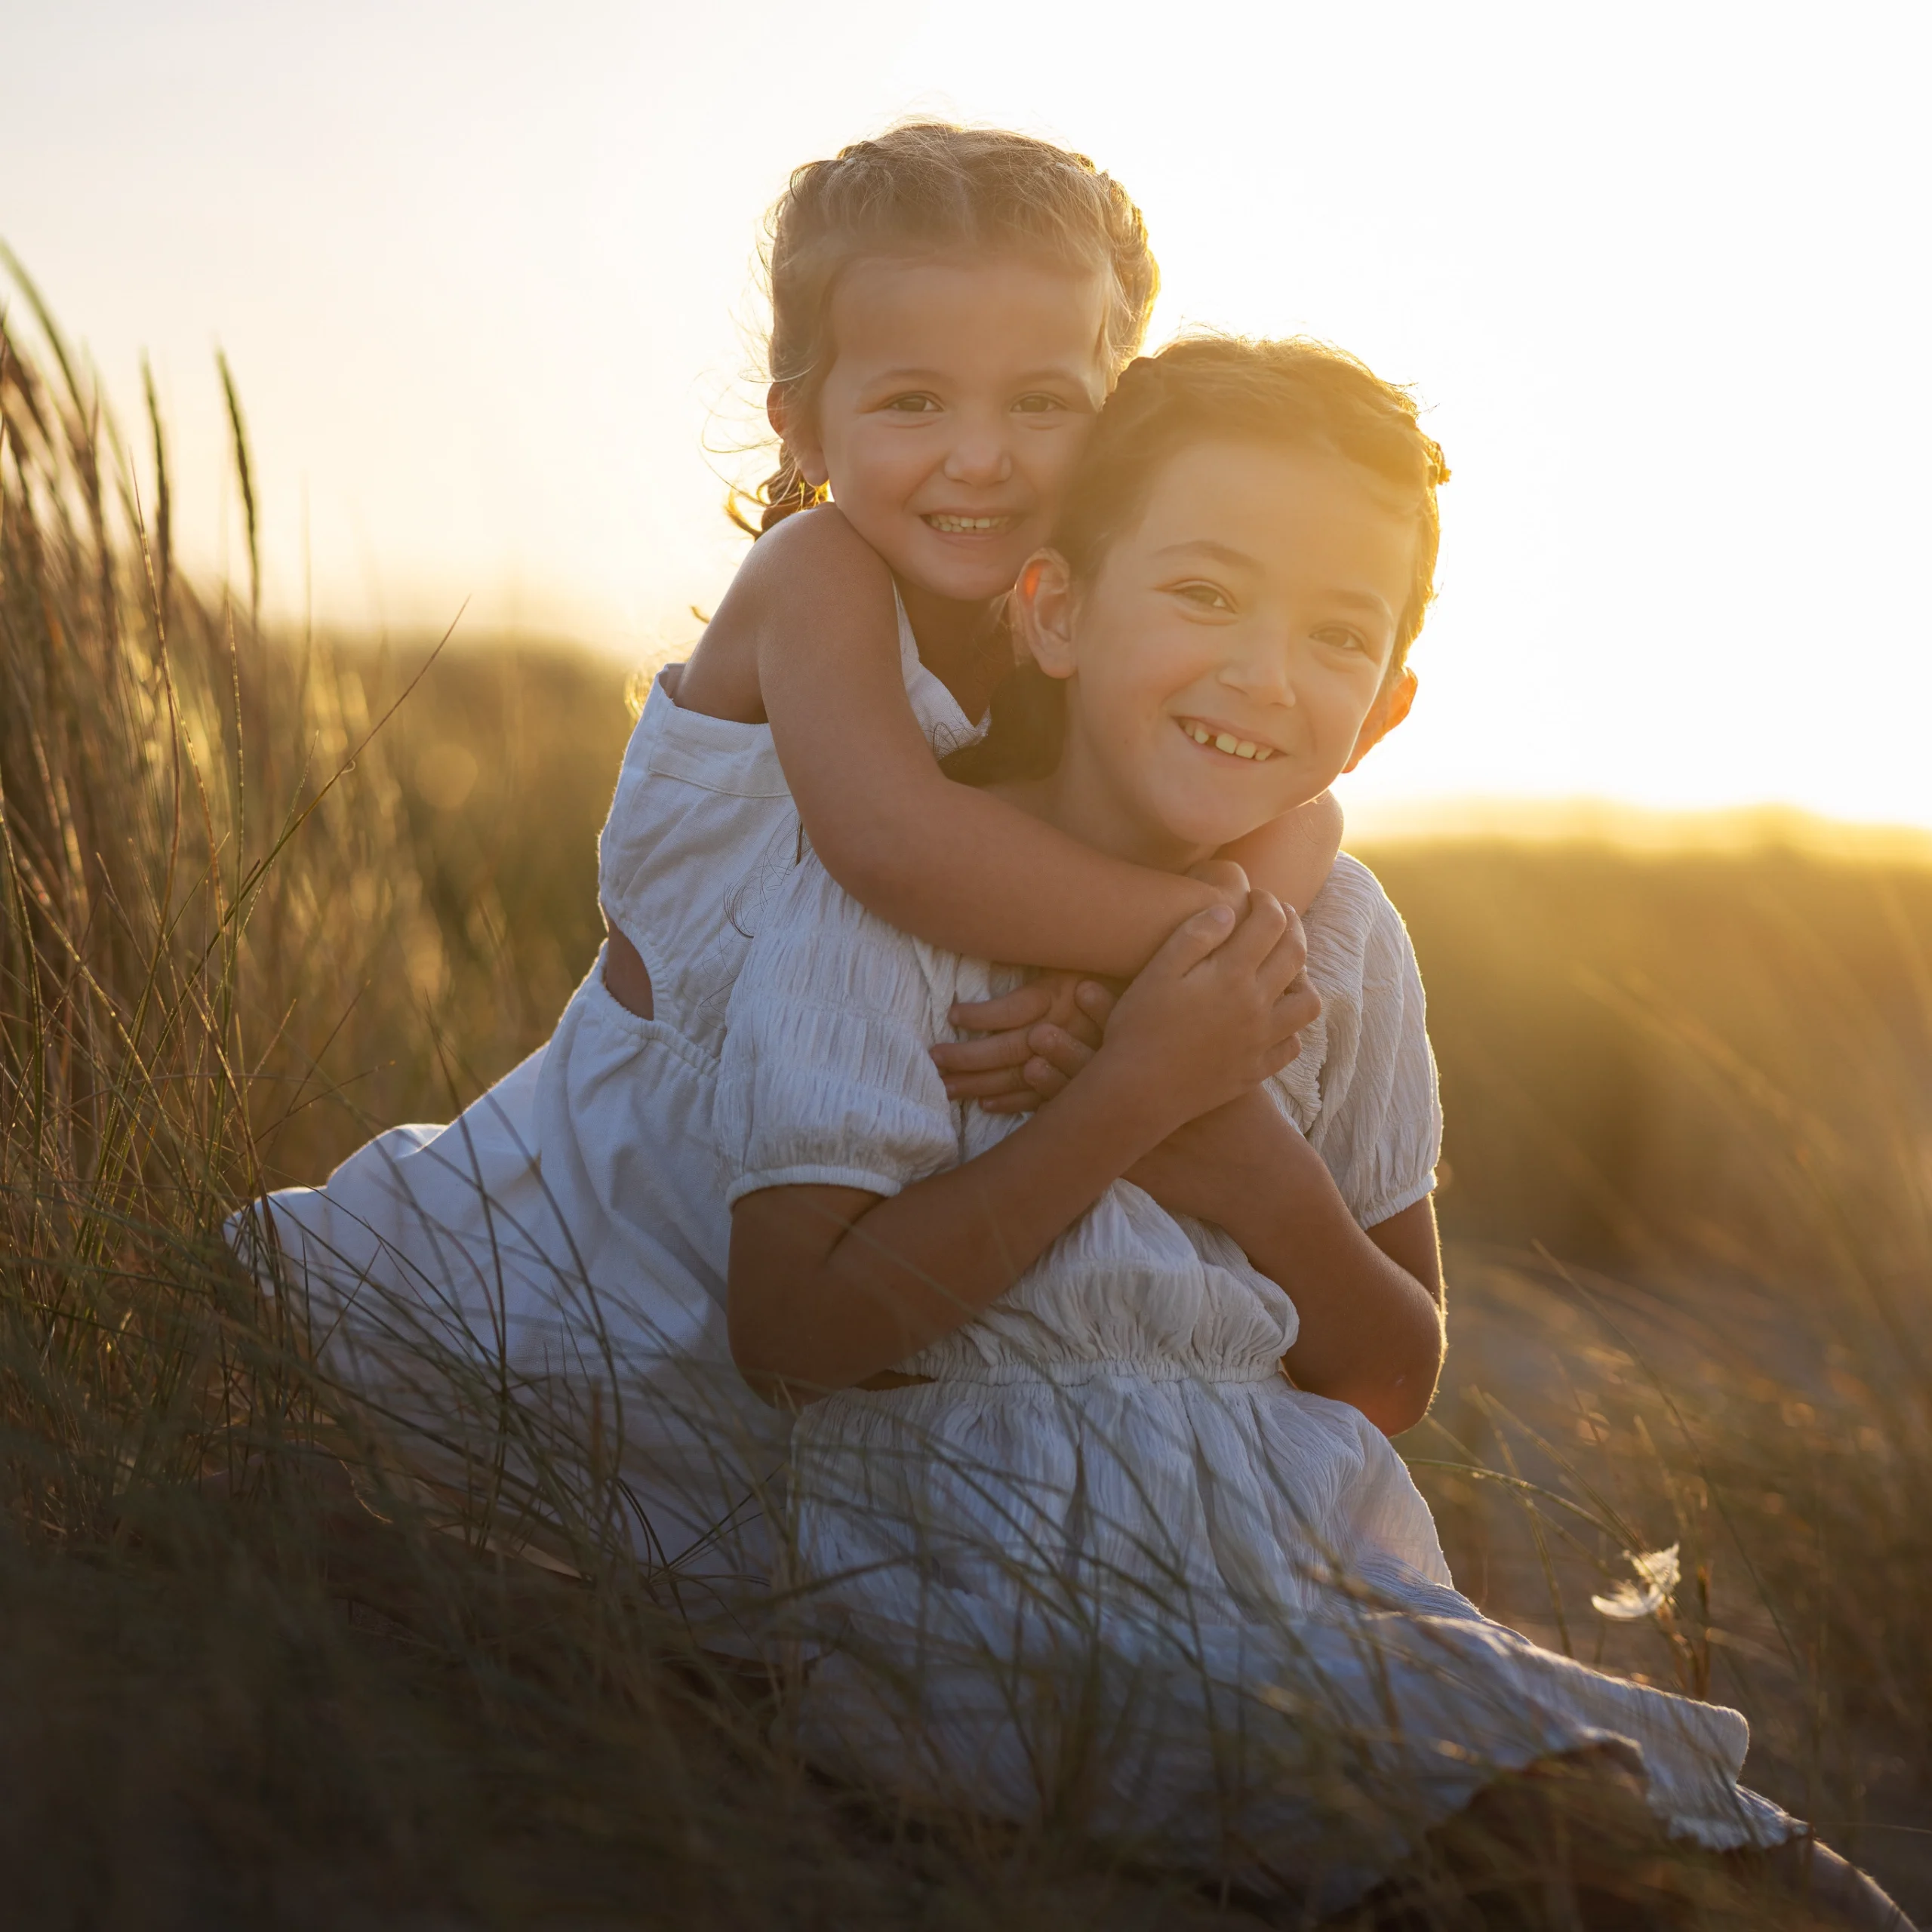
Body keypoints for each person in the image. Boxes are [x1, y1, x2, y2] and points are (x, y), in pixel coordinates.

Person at [715, 337, 1912, 1927]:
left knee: (1786, 1873)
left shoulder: (1343, 937)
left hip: (1307, 1572)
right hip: (986, 1578)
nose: (1265, 673)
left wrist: (1247, 1168)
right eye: (1203, 594)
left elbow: (1388, 1369)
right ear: (1054, 607)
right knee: (1576, 1860)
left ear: (1383, 708)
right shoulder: (887, 898)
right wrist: (1123, 1098)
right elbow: (794, 1330)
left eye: (1334, 632)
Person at [227, 125, 1342, 1627]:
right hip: (615, 1194)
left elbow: (1296, 812)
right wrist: (1180, 945)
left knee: (701, 1565)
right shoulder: (817, 580)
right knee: (398, 1473)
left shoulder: (1059, 633)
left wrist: (1184, 924)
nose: (980, 453)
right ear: (804, 425)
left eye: (1042, 403)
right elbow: (891, 844)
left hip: (817, 1194)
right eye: (911, 401)